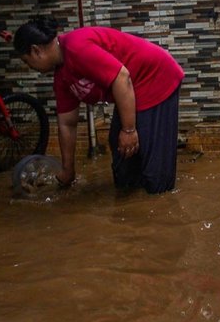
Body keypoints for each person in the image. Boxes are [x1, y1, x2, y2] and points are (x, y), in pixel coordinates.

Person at [13, 16, 185, 194]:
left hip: (155, 77)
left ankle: (159, 196)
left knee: (153, 167)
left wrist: (128, 130)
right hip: (129, 89)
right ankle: (133, 202)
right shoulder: (61, 76)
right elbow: (67, 123)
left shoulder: (76, 47)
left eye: (27, 61)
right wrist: (67, 171)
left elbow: (121, 77)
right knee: (122, 157)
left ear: (36, 51)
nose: (30, 67)